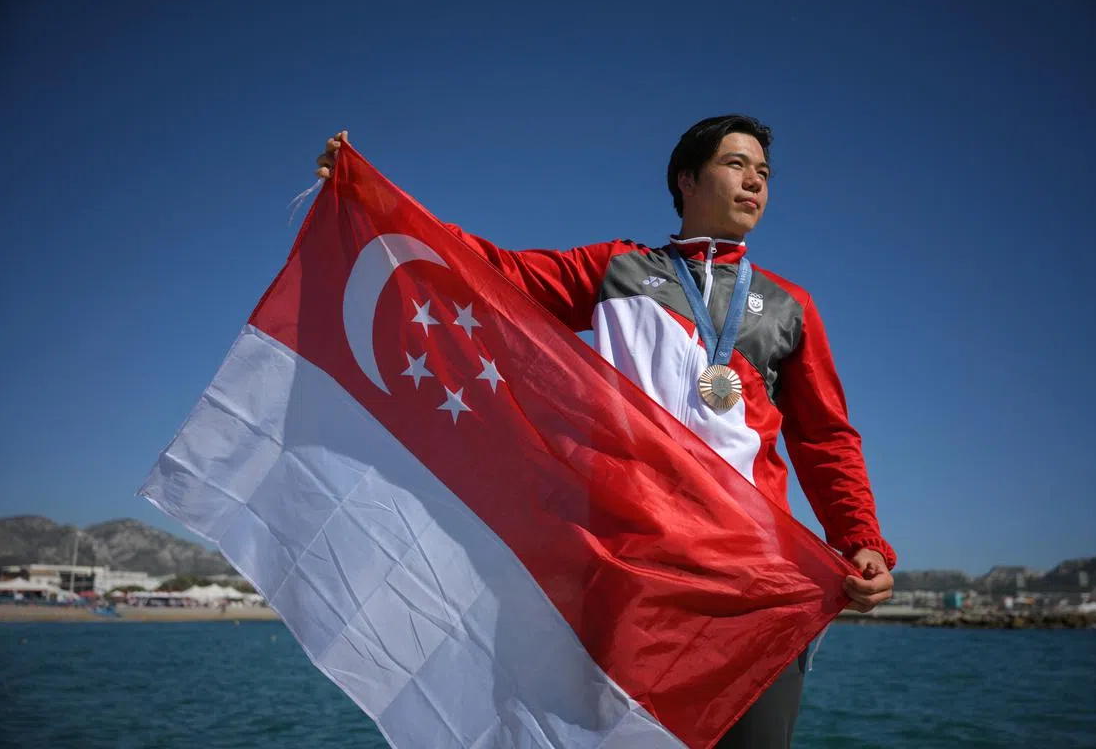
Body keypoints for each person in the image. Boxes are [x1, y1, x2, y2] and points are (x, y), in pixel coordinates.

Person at [314, 115, 896, 748]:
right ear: (686, 179)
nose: (755, 180)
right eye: (736, 164)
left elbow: (824, 438)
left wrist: (860, 538)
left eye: (763, 172)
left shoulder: (790, 306)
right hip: (631, 572)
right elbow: (487, 270)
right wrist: (368, 197)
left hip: (754, 580)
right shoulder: (617, 269)